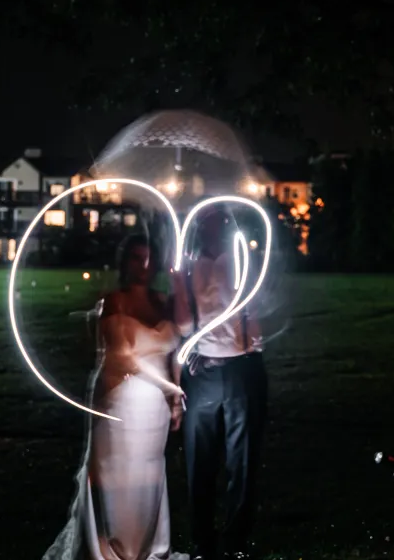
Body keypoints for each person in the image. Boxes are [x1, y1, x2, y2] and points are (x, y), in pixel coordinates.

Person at [43, 234, 189, 560]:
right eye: (137, 258)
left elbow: (175, 351)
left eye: (149, 258)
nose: (144, 265)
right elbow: (123, 356)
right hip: (120, 399)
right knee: (116, 472)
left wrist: (174, 398)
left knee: (148, 474)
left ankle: (146, 545)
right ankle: (111, 548)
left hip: (155, 410)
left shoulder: (164, 301)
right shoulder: (113, 301)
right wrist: (169, 387)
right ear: (126, 263)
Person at [172, 205, 267, 560]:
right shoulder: (188, 265)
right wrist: (179, 286)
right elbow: (183, 325)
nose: (214, 223)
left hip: (243, 367)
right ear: (198, 223)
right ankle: (203, 543)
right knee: (200, 462)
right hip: (204, 372)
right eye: (207, 218)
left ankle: (235, 544)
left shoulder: (242, 259)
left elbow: (255, 305)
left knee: (241, 463)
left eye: (220, 217)